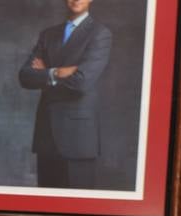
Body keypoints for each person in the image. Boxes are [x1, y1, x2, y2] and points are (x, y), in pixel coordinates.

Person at [17, 0, 113, 189]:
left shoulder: (100, 34)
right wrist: (57, 72)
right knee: (46, 208)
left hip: (78, 137)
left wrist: (45, 73)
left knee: (77, 210)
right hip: (47, 134)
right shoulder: (48, 34)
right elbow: (25, 76)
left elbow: (81, 83)